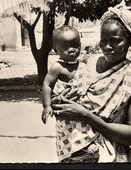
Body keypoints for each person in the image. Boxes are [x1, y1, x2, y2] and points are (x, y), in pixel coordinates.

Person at [50, 0, 131, 163]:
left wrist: (86, 116)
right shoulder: (88, 62)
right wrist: (56, 101)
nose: (107, 46)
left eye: (115, 40)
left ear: (129, 41)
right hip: (73, 150)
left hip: (111, 156)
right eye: (103, 39)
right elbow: (61, 95)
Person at [41, 25, 100, 163]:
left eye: (75, 45)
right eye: (65, 47)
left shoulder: (83, 63)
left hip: (82, 104)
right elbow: (47, 85)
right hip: (65, 106)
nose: (71, 49)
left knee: (87, 121)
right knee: (66, 130)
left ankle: (87, 143)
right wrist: (47, 106)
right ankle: (74, 150)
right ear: (56, 50)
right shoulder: (58, 67)